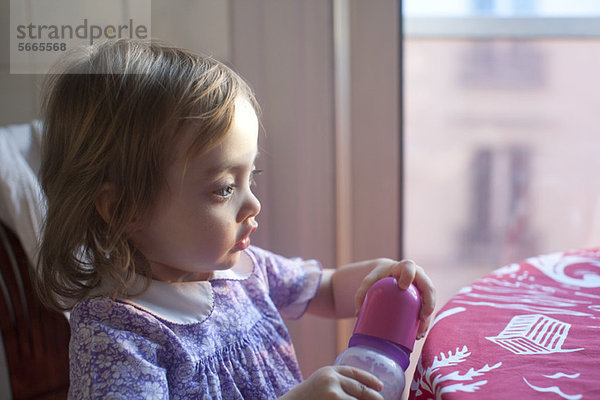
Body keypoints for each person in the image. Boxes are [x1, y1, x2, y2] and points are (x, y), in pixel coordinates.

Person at [35, 39, 435, 400]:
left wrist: (384, 280)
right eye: (225, 188)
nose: (253, 204)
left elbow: (325, 290)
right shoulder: (118, 333)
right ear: (124, 208)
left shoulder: (244, 273)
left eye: (251, 177)